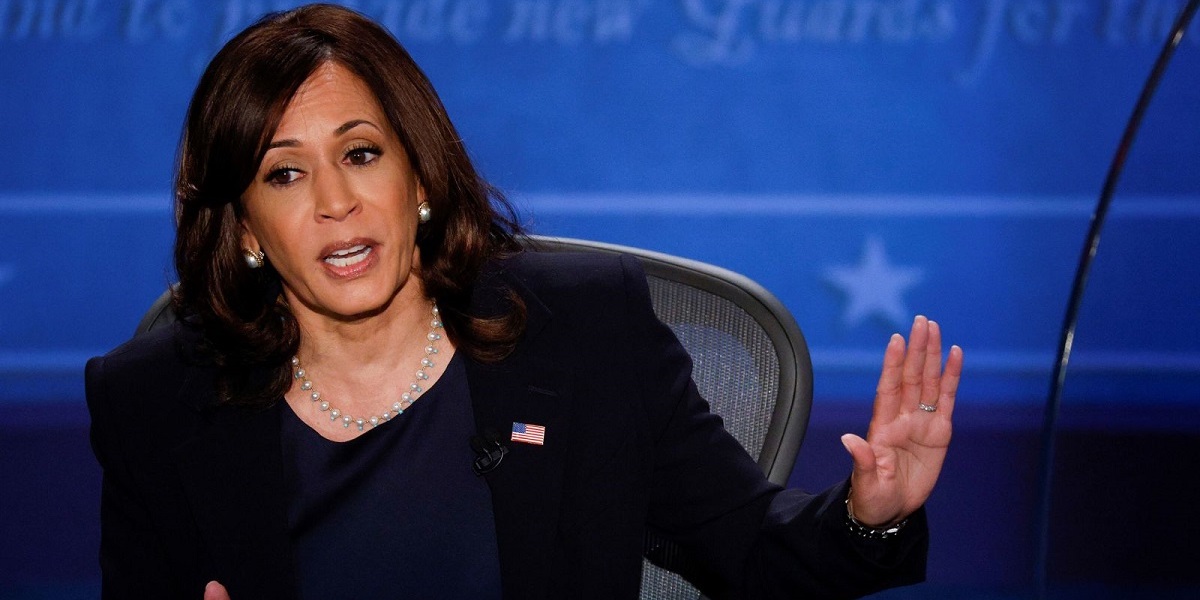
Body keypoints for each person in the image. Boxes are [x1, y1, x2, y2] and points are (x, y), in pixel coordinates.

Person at [85, 3, 963, 599]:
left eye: (361, 154)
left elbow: (750, 547)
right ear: (244, 229)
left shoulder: (585, 332)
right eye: (284, 173)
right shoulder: (153, 400)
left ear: (418, 175)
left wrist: (867, 516)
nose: (335, 202)